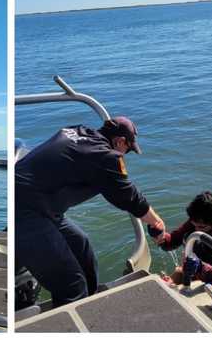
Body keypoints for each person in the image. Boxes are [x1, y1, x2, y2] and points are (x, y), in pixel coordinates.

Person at [15, 117, 167, 308]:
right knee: (71, 285)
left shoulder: (76, 129)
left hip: (44, 207)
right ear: (119, 141)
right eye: (128, 149)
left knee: (82, 246)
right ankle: (70, 317)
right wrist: (156, 222)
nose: (126, 154)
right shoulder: (105, 156)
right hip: (26, 213)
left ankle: (91, 306)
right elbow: (129, 197)